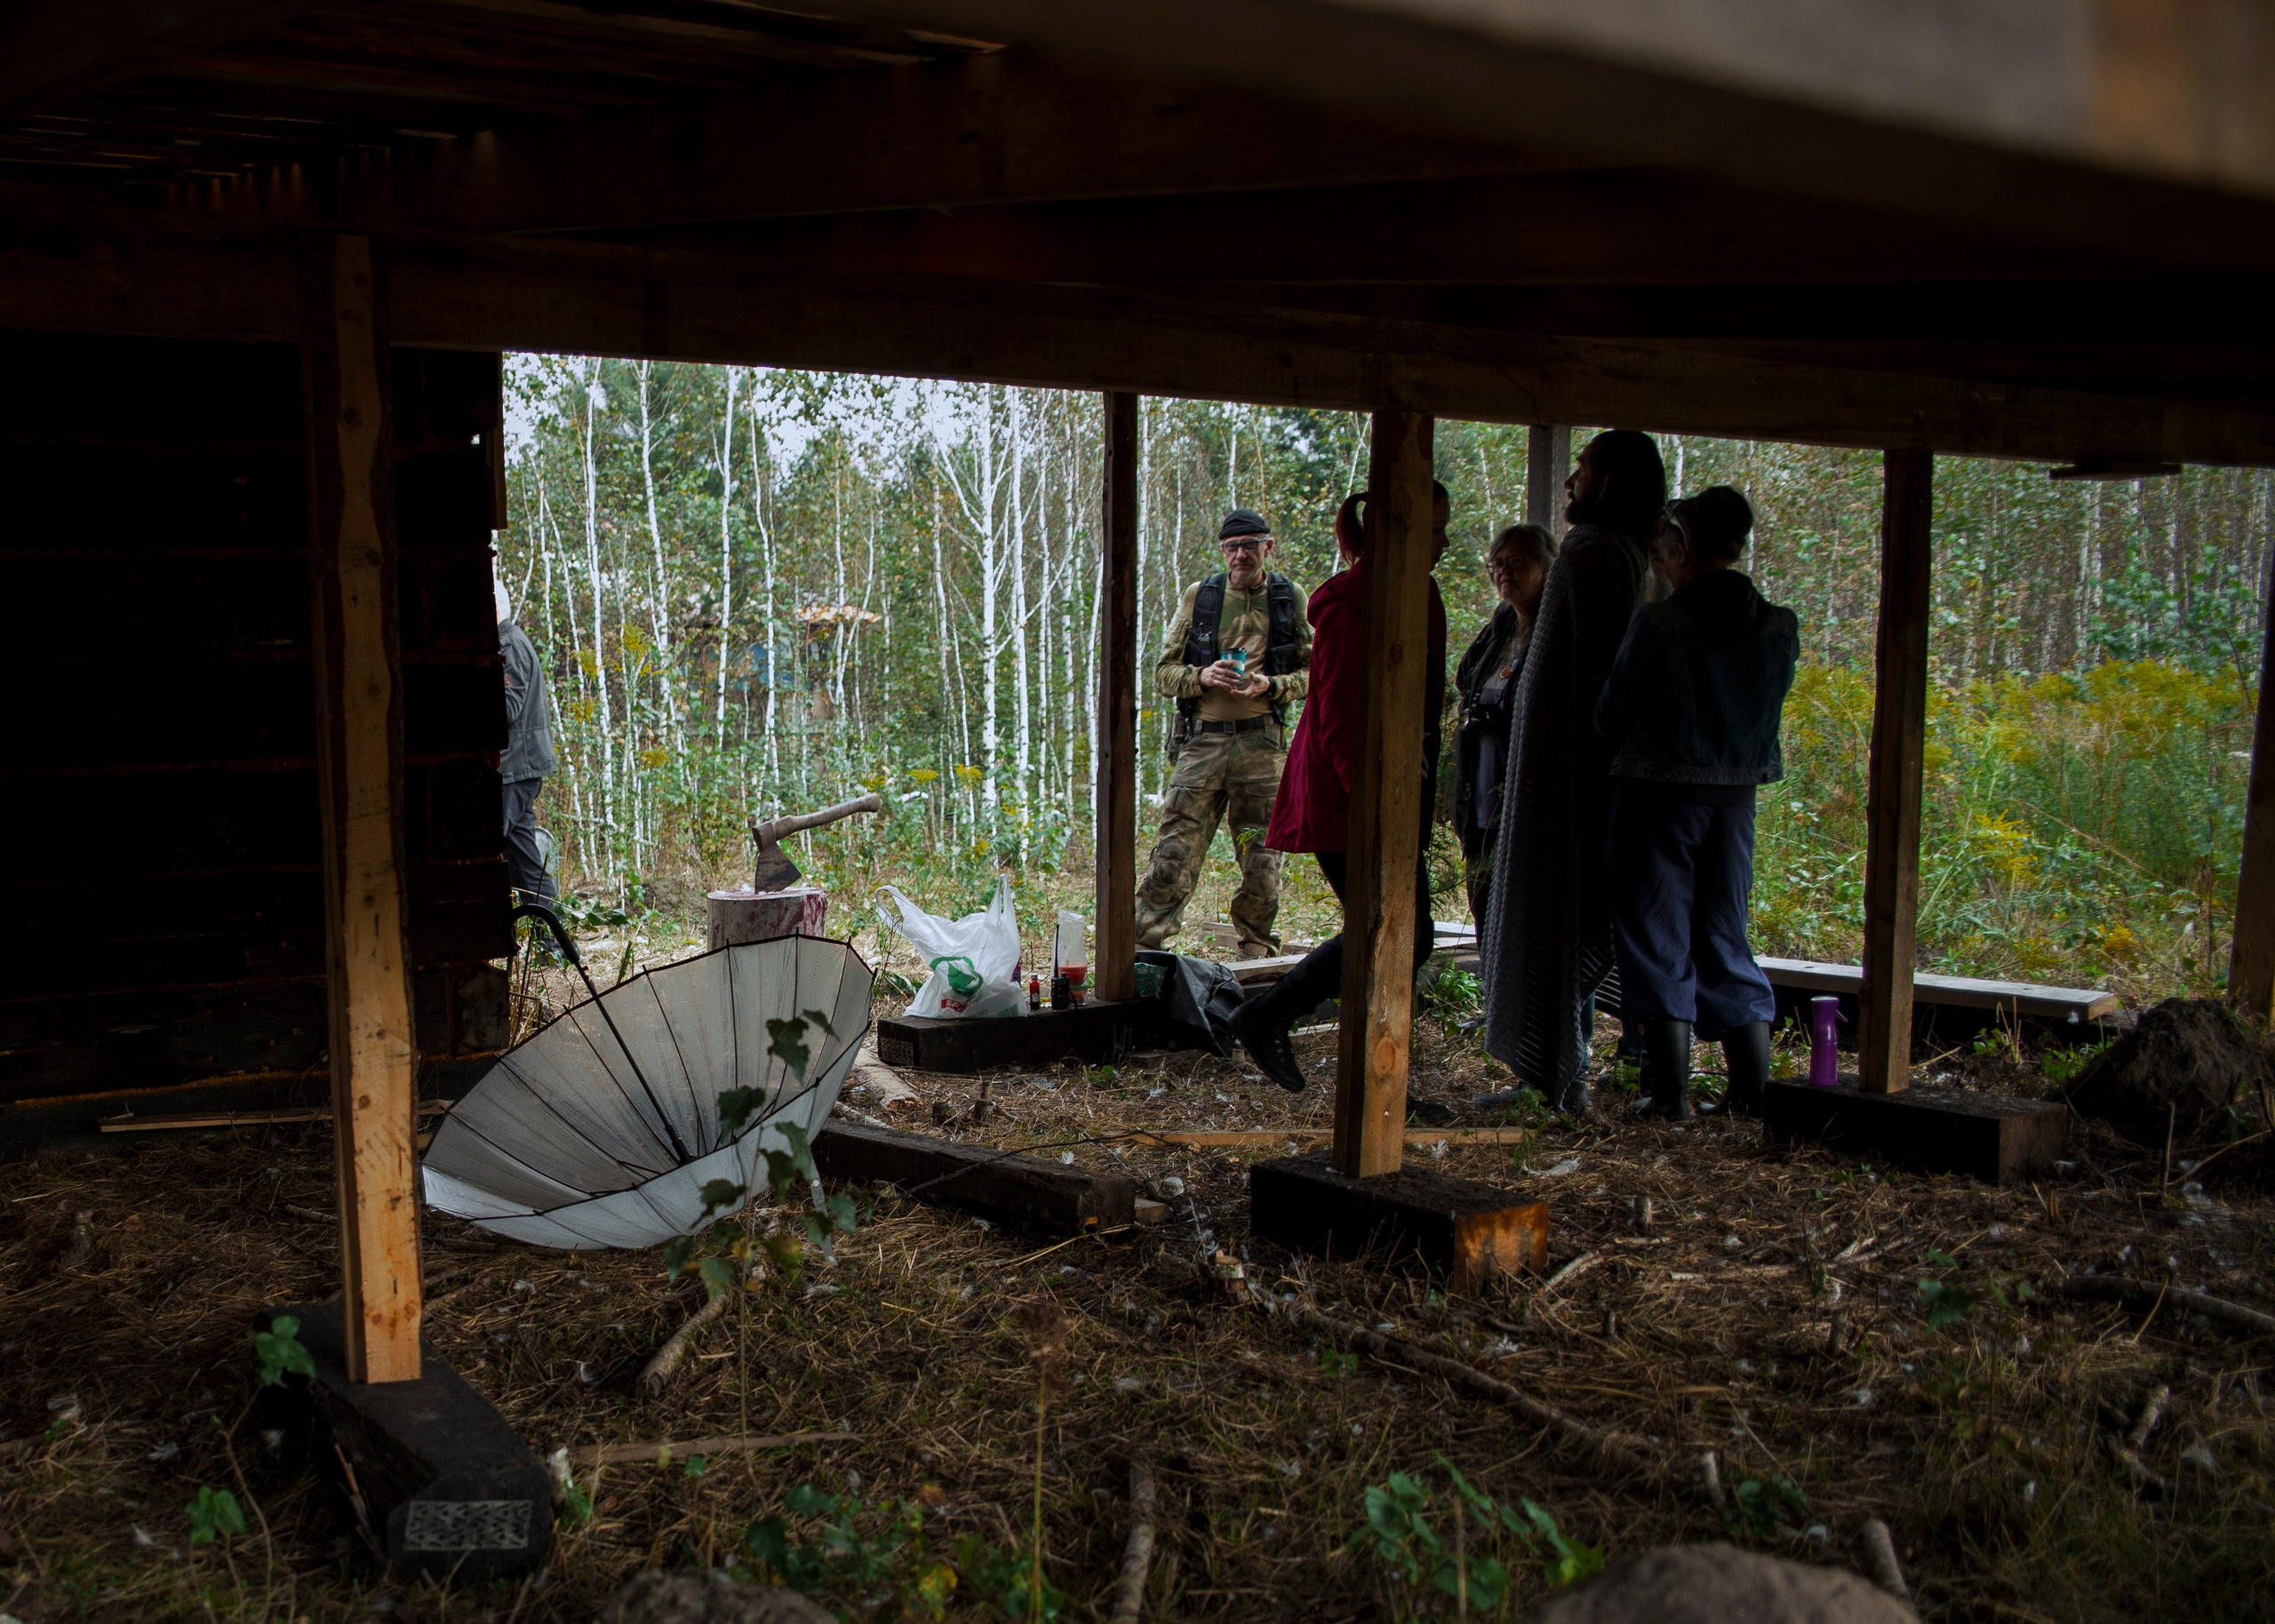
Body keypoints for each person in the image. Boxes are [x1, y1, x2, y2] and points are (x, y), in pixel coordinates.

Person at [1233, 488, 1448, 1094]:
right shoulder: (1354, 603)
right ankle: (1272, 1014)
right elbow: (1339, 719)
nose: (1444, 543)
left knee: (1395, 935)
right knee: (1399, 934)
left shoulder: (1415, 592)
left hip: (1388, 794)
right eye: (1434, 529)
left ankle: (1382, 1085)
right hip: (1350, 796)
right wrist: (1376, 808)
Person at [1598, 486, 1799, 1118]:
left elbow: (1609, 718)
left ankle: (1670, 1096)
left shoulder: (1658, 623)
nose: (1659, 562)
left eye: (1663, 551)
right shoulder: (1778, 625)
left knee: (1657, 938)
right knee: (1725, 936)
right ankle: (1750, 1093)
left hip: (1656, 800)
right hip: (1736, 805)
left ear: (1682, 548)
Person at [1481, 430, 1663, 1115]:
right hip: (1588, 767)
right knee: (1567, 909)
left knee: (1556, 910)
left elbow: (1590, 673)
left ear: (1610, 482)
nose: (1570, 481)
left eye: (1581, 470)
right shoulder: (1632, 551)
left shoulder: (1592, 552)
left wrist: (1566, 754)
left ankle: (1563, 1074)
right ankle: (1564, 1072)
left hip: (1569, 772)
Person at [1136, 508, 1311, 959]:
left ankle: (1255, 957)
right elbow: (1162, 673)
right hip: (1203, 742)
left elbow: (1317, 673)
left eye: (1249, 546)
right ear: (1222, 551)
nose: (1240, 555)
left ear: (1267, 547)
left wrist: (1272, 685)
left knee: (1262, 866)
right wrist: (1202, 677)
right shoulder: (1203, 596)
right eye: (1232, 547)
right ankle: (1141, 953)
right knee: (1171, 858)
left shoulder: (1289, 597)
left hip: (1263, 745)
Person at [1453, 522, 1554, 926]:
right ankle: (1491, 988)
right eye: (1496, 563)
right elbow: (1466, 683)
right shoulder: (1500, 628)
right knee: (1484, 908)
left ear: (1547, 566)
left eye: (1516, 561)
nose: (1503, 571)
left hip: (1530, 802)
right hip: (1481, 797)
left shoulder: (1555, 628)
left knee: (1528, 919)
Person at [497, 577, 558, 905]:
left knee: (488, 848)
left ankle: (548, 945)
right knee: (525, 865)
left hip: (516, 768)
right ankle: (552, 948)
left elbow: (508, 708)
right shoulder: (509, 642)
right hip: (517, 766)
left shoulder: (509, 645)